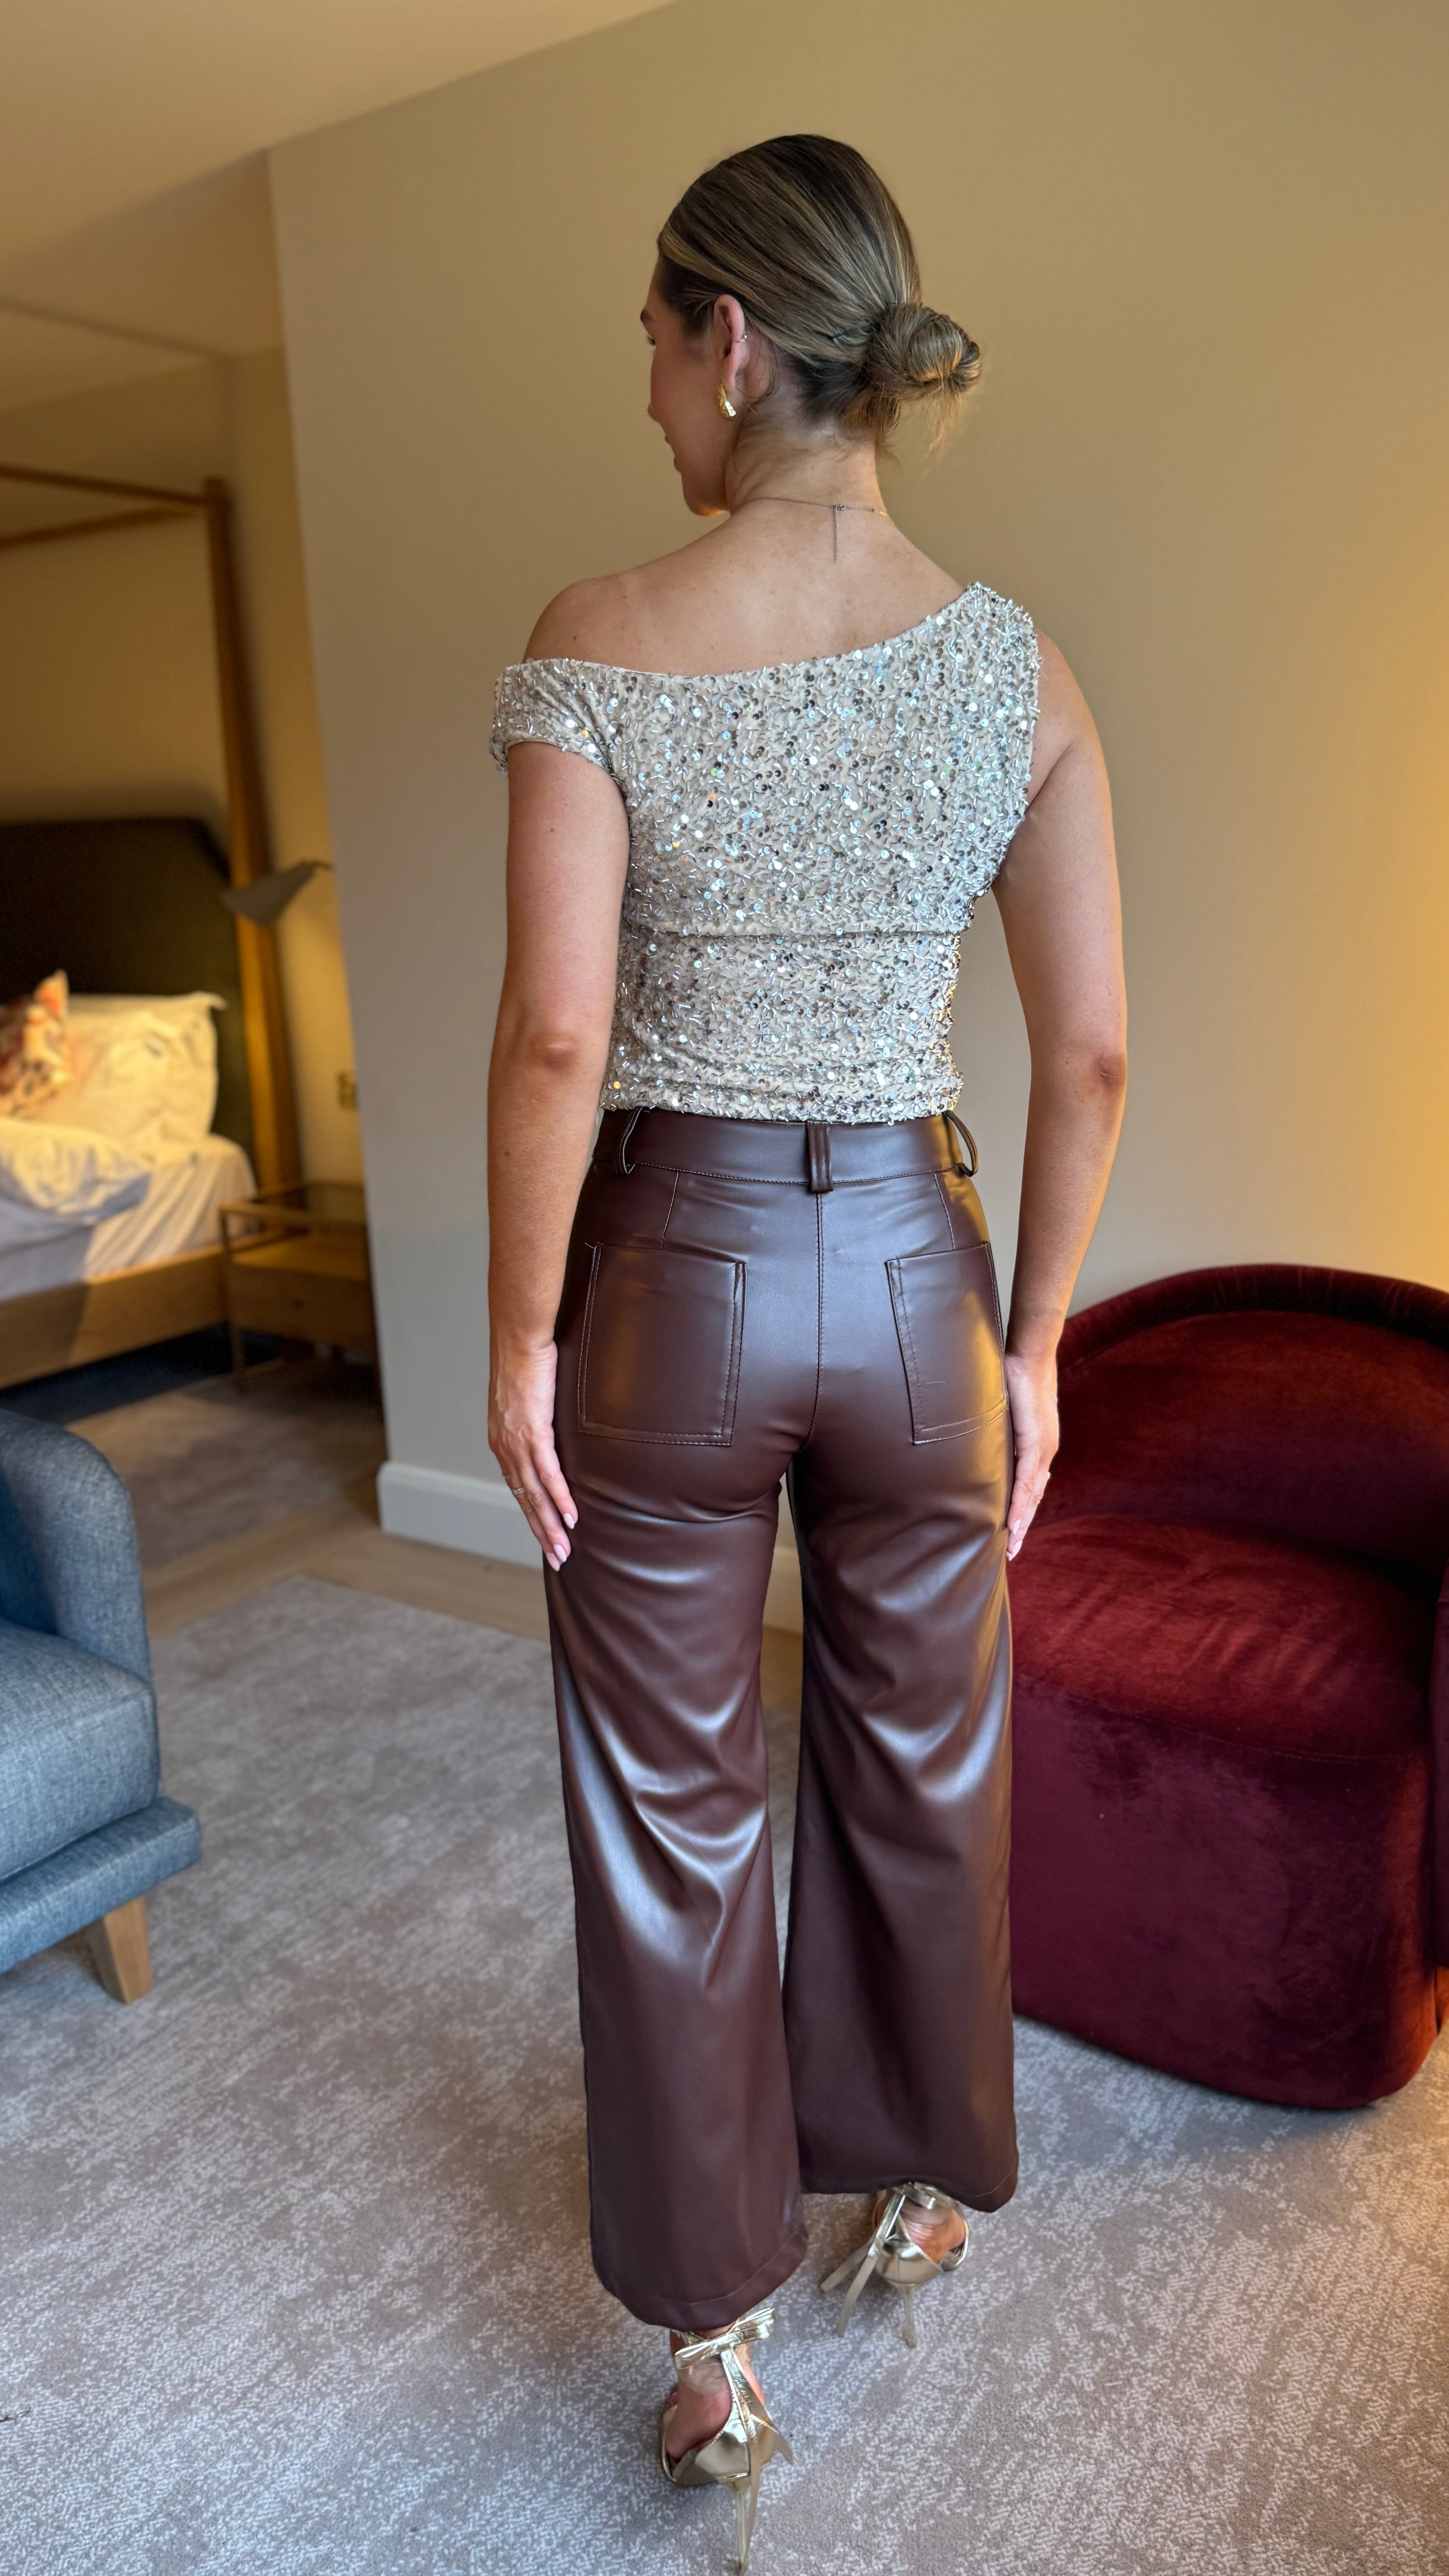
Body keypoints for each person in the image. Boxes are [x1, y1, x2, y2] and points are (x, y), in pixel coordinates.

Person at [487, 133, 1125, 2570]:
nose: (648, 397)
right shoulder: (1020, 666)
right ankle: (925, 2184)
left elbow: (561, 1036)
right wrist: (1036, 1339)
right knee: (926, 1755)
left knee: (675, 1807)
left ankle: (717, 2346)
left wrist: (516, 1329)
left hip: (678, 1273)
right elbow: (1090, 1056)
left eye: (655, 348)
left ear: (732, 340)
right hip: (924, 1280)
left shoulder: (597, 634)